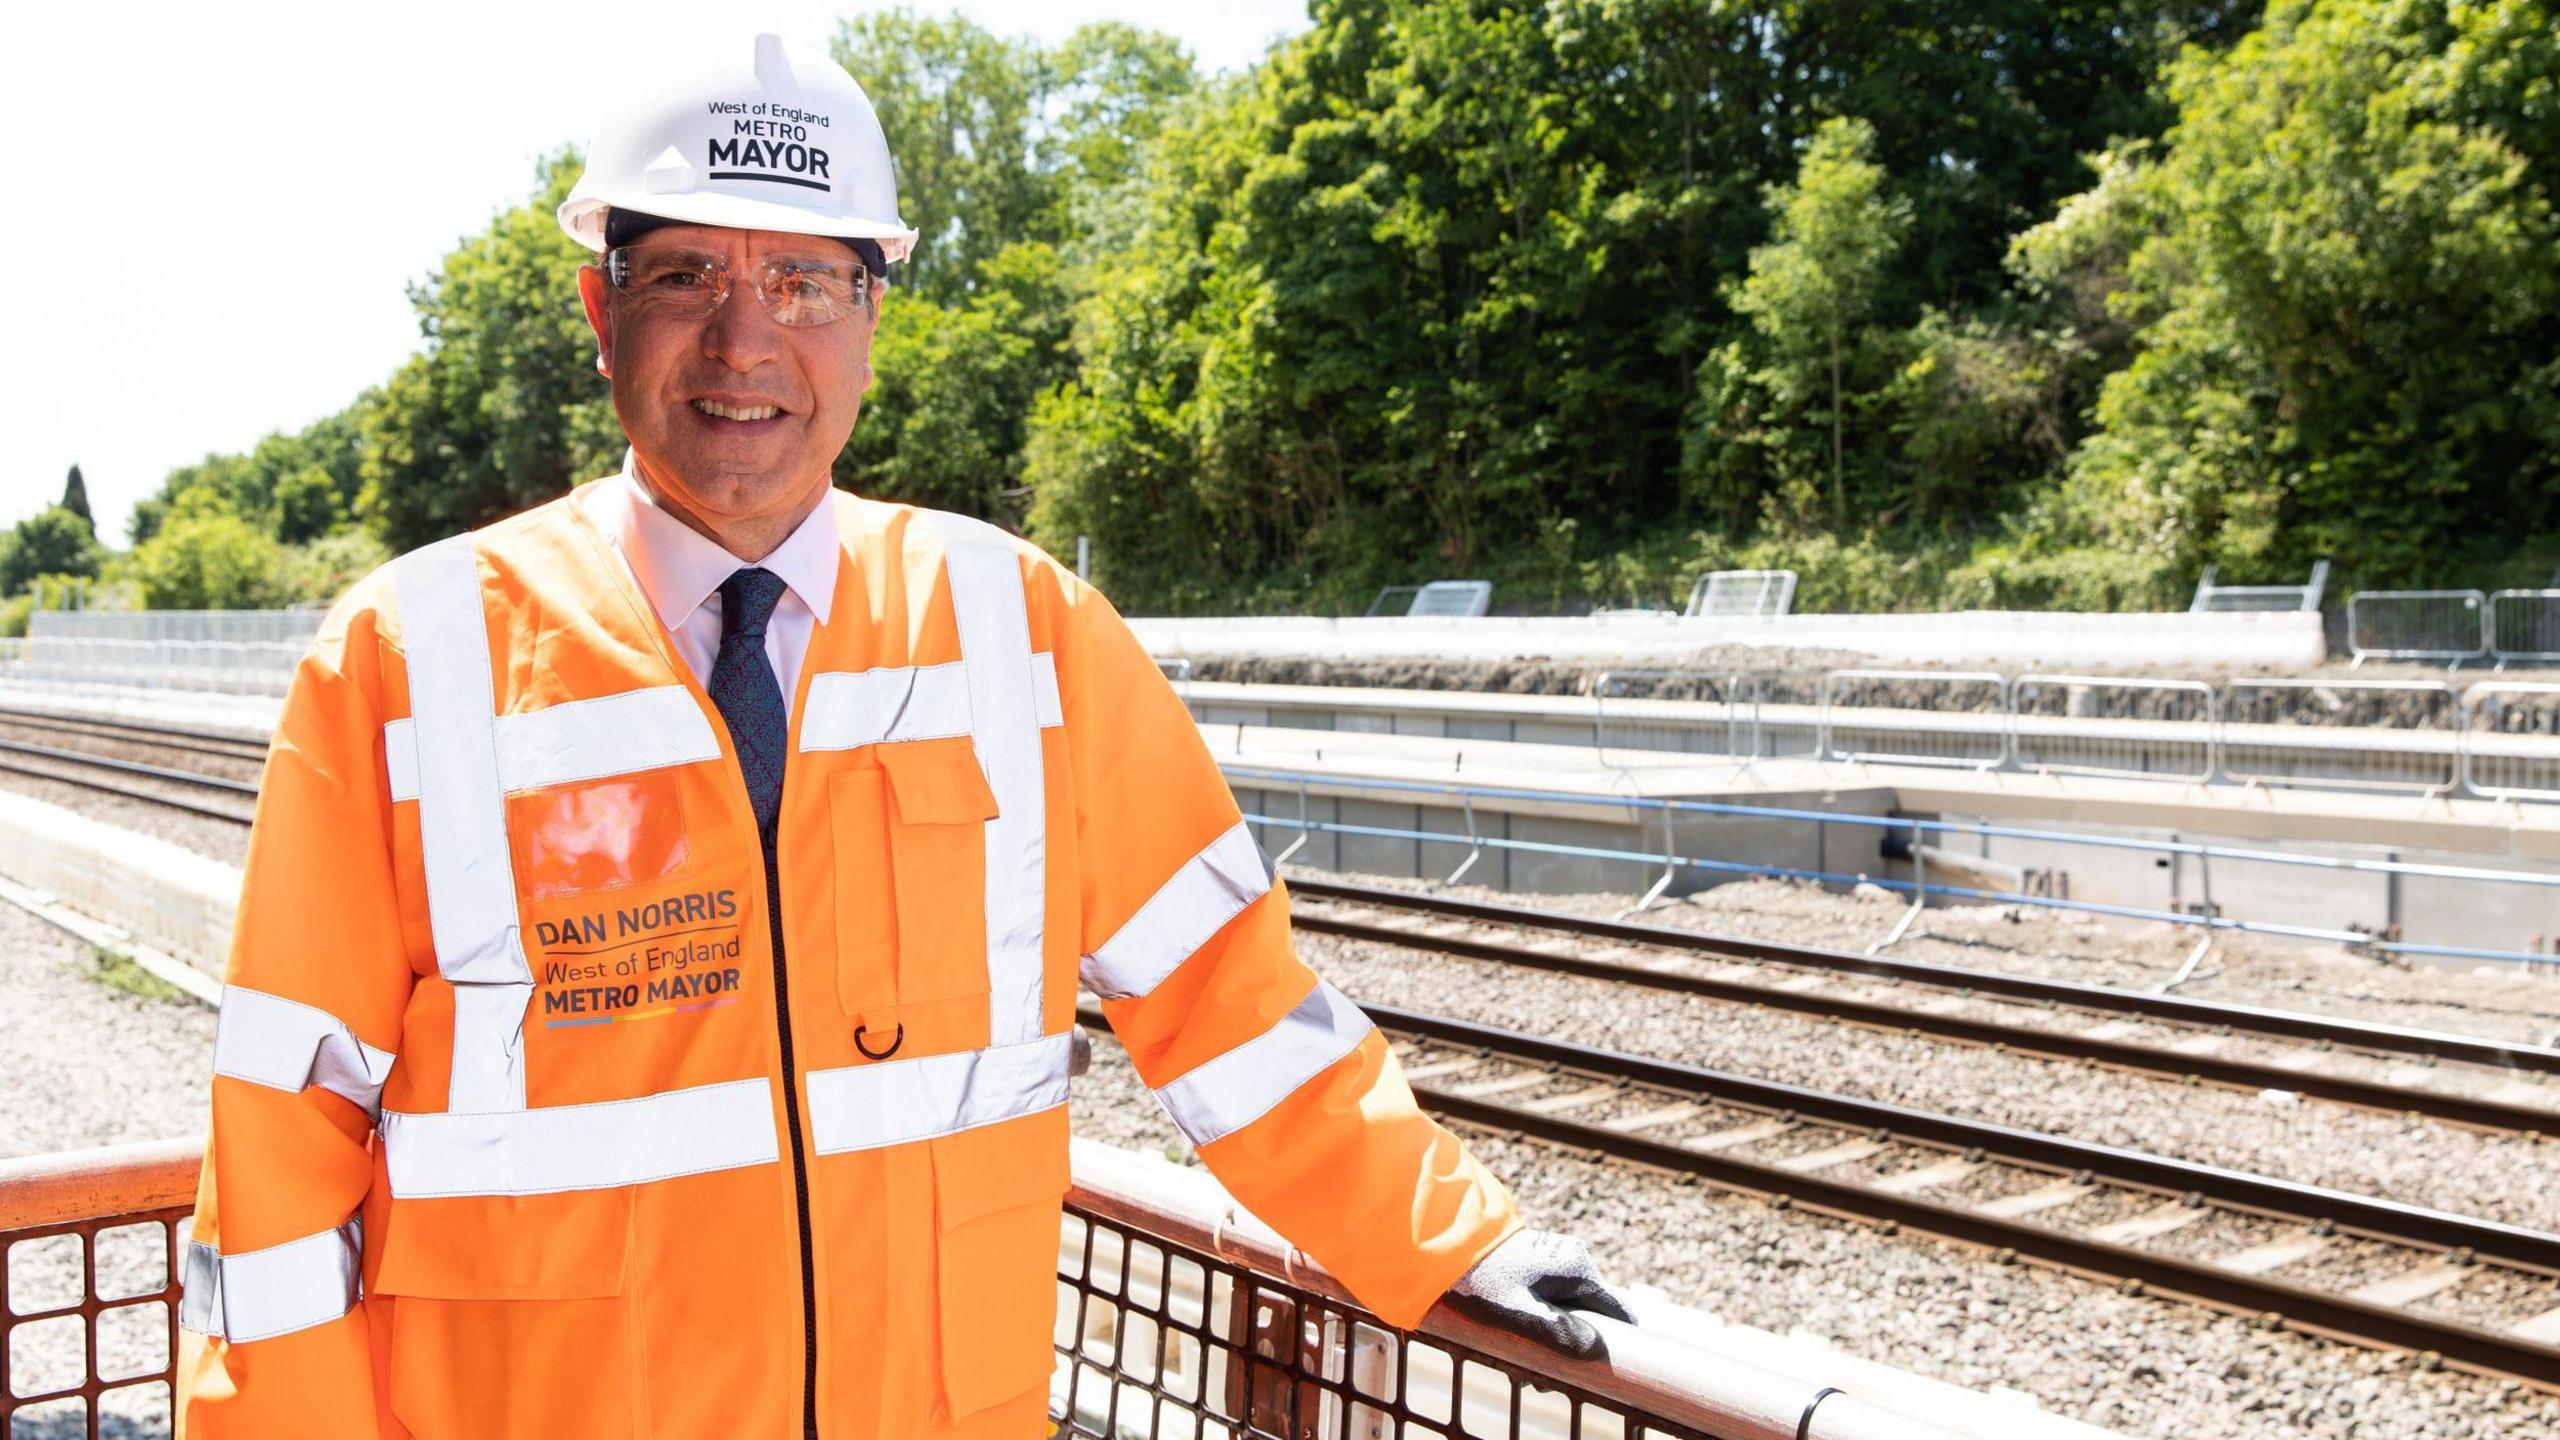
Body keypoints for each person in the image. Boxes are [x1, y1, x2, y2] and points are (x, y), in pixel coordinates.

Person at [175, 32, 1627, 1439]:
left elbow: (1230, 1000)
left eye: (805, 280)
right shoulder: (405, 658)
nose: (747, 340)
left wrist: (1447, 1240)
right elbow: (280, 1158)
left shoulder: (1026, 630)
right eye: (686, 275)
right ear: (597, 307)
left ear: (875, 311)